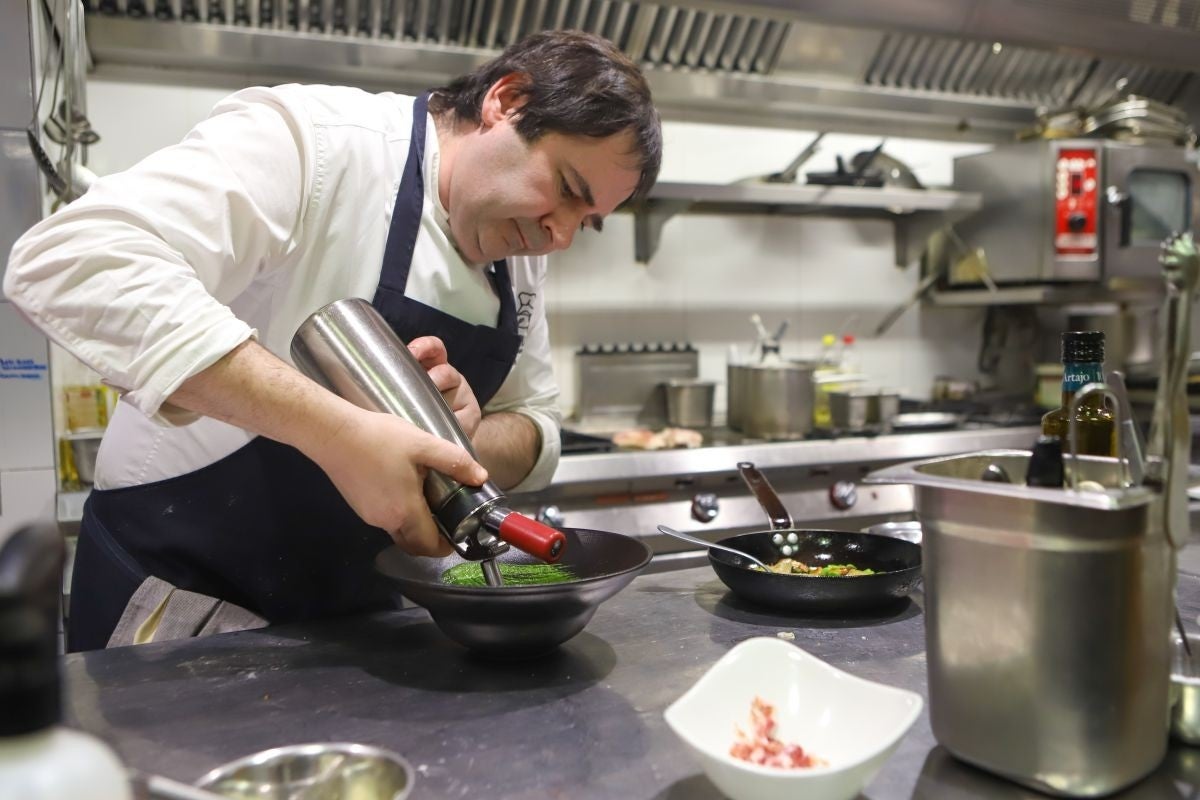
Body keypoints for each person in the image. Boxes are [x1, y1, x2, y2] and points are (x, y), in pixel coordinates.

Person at [4, 30, 662, 651]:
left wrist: (464, 434)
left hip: (364, 628)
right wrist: (337, 432)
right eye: (567, 191)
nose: (561, 235)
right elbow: (73, 260)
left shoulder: (521, 249)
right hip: (184, 606)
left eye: (589, 221)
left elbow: (537, 423)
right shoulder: (318, 144)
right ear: (505, 102)